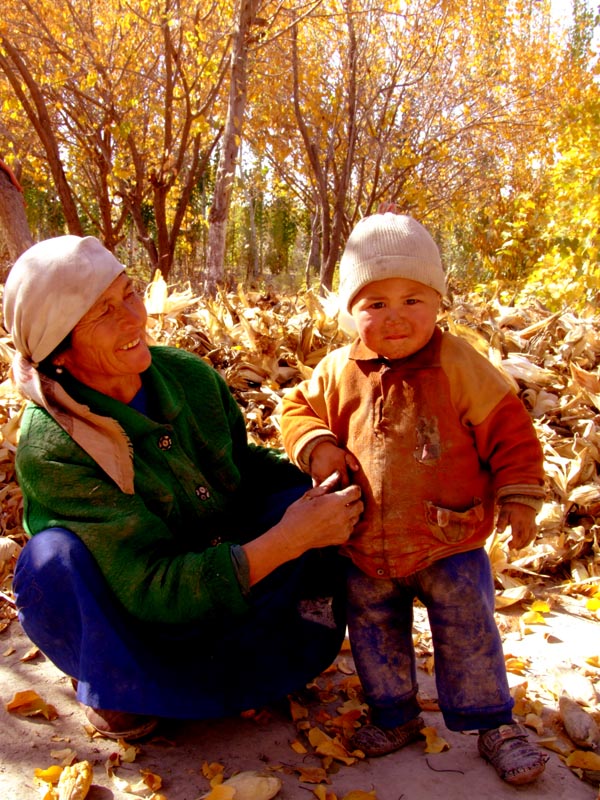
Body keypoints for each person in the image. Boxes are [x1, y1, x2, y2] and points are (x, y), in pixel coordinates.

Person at [3, 235, 363, 740]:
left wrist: (320, 468)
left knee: (300, 498)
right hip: (145, 619)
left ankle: (250, 661)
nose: (133, 319)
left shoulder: (187, 376)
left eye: (128, 293)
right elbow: (149, 587)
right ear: (59, 350)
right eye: (103, 312)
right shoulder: (53, 446)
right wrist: (288, 540)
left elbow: (242, 467)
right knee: (52, 561)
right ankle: (123, 684)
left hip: (222, 576)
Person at [280, 212, 548, 786]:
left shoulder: (459, 365)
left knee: (468, 626)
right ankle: (394, 713)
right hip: (362, 542)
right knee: (374, 631)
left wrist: (519, 497)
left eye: (412, 299)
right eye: (374, 303)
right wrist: (318, 444)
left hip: (448, 539)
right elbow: (294, 408)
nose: (394, 316)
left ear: (439, 301)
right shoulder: (337, 369)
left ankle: (492, 722)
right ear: (350, 311)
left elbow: (510, 431)